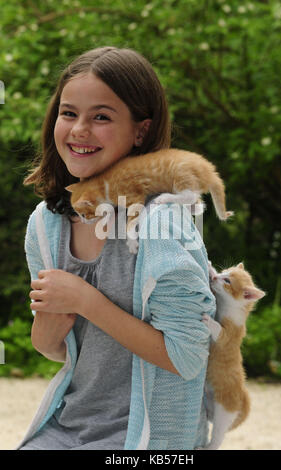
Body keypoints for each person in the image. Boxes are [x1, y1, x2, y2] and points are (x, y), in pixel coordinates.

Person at [18, 47, 215, 450]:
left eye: (101, 117)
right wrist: (48, 327)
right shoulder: (46, 223)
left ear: (141, 131)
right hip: (70, 426)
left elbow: (187, 358)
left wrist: (86, 301)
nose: (79, 130)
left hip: (148, 437)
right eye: (69, 113)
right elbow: (54, 349)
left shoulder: (162, 224)